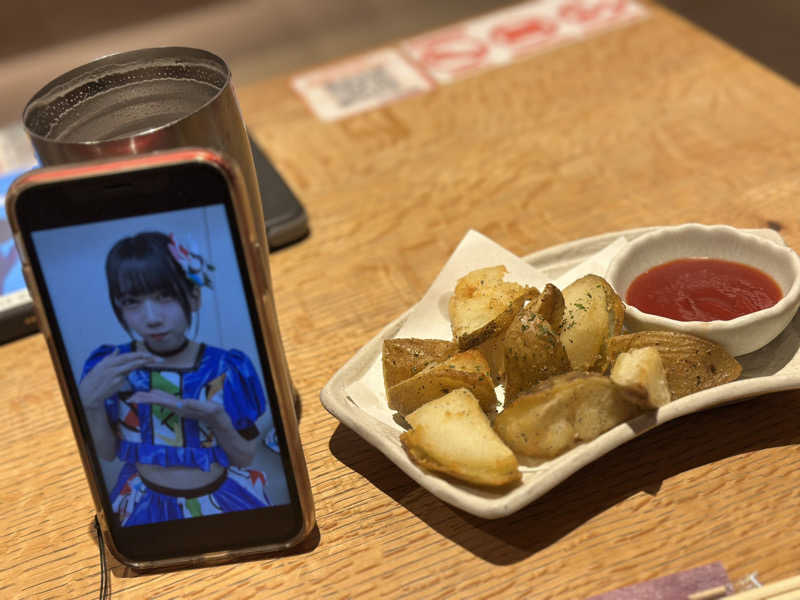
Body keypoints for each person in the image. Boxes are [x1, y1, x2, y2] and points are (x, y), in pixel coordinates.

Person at [79, 231, 272, 526]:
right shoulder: (111, 368)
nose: (152, 317)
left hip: (222, 498)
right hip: (143, 503)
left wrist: (218, 421)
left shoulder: (228, 367)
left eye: (164, 296)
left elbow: (245, 458)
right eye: (132, 302)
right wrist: (90, 404)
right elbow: (107, 454)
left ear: (194, 297)